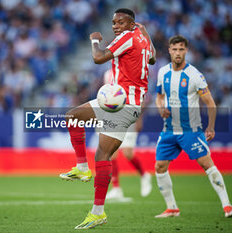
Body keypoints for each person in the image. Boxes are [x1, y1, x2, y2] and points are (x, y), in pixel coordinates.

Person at [59, 8, 156, 229]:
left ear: (131, 24)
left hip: (124, 104)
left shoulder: (127, 37)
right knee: (73, 116)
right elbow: (153, 58)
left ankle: (97, 213)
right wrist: (146, 33)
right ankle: (82, 168)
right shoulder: (141, 37)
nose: (115, 26)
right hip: (118, 100)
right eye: (114, 22)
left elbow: (98, 58)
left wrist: (94, 40)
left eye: (121, 22)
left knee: (103, 155)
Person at [155, 35, 232, 218]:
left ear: (186, 51)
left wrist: (211, 127)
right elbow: (159, 96)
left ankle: (227, 205)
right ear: (169, 50)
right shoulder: (162, 72)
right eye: (174, 49)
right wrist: (160, 108)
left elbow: (210, 103)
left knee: (206, 163)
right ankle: (172, 207)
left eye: (181, 49)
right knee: (159, 166)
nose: (178, 53)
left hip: (190, 130)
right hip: (168, 130)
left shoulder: (194, 75)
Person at [103, 69, 152, 200]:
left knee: (127, 153)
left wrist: (139, 118)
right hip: (113, 117)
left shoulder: (131, 72)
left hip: (129, 115)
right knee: (111, 152)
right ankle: (116, 188)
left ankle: (144, 175)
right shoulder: (108, 74)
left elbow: (140, 96)